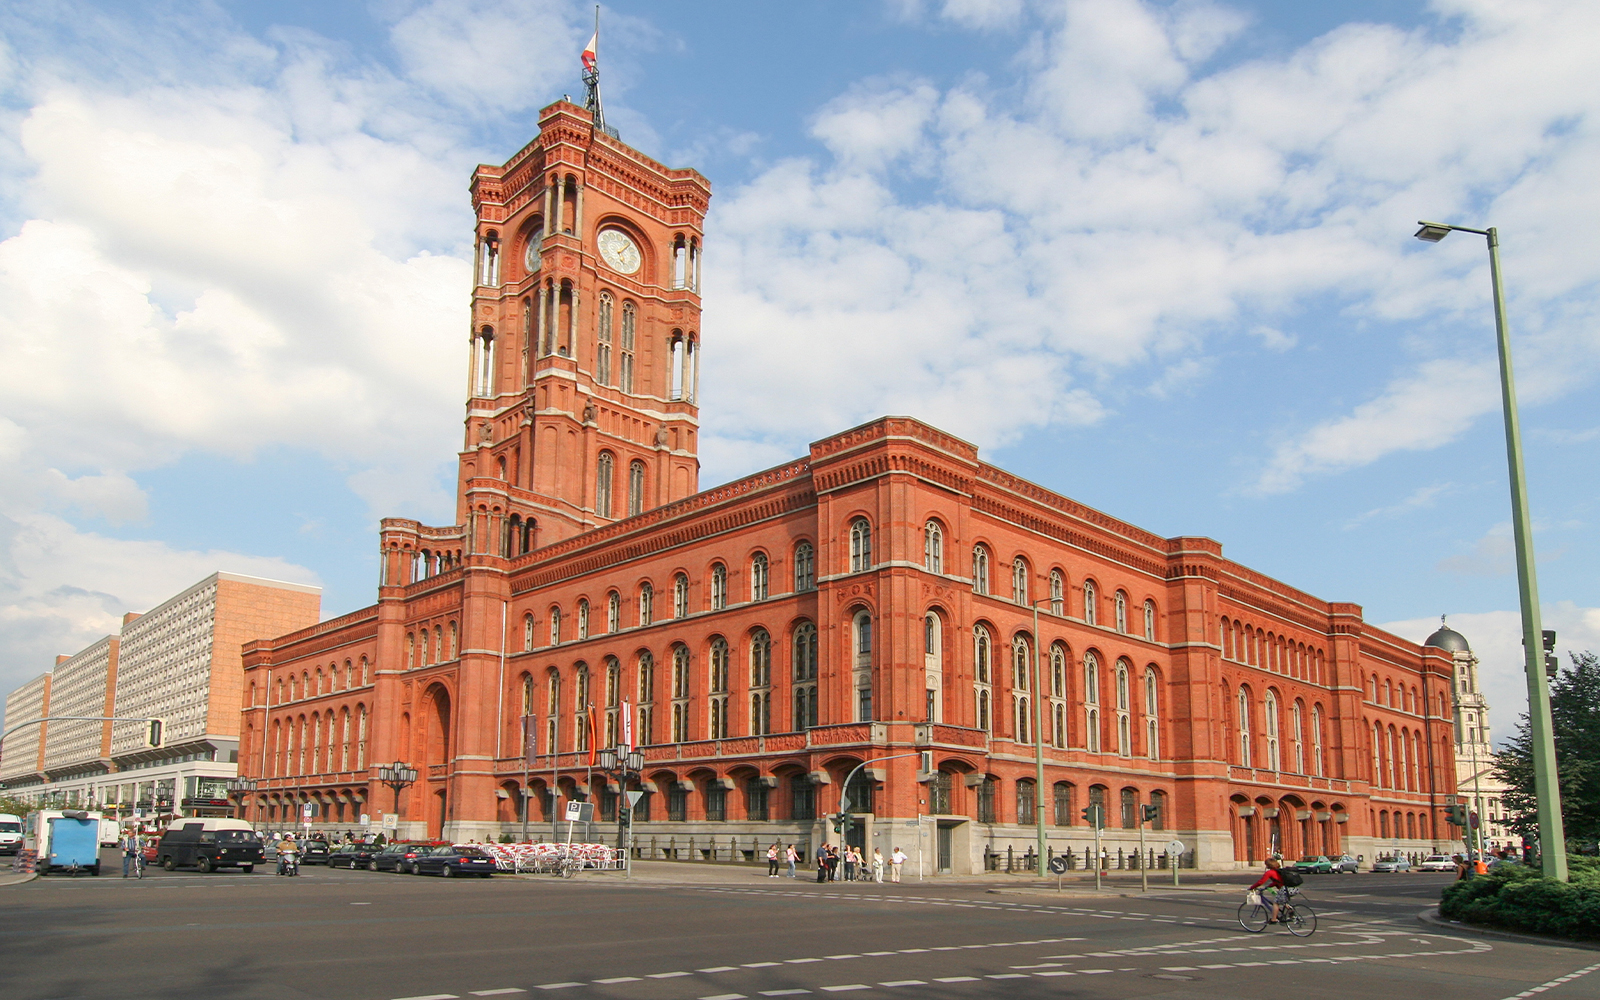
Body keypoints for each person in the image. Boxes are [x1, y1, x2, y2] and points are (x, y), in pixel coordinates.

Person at [1247, 857, 1288, 923]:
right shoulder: (1279, 871)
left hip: (1284, 889)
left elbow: (1261, 882)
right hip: (1291, 888)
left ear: (1268, 865)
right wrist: (1268, 886)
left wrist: (1252, 887)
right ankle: (1291, 912)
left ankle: (1274, 919)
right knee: (1282, 900)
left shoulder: (1270, 872)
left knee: (1276, 903)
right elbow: (1277, 881)